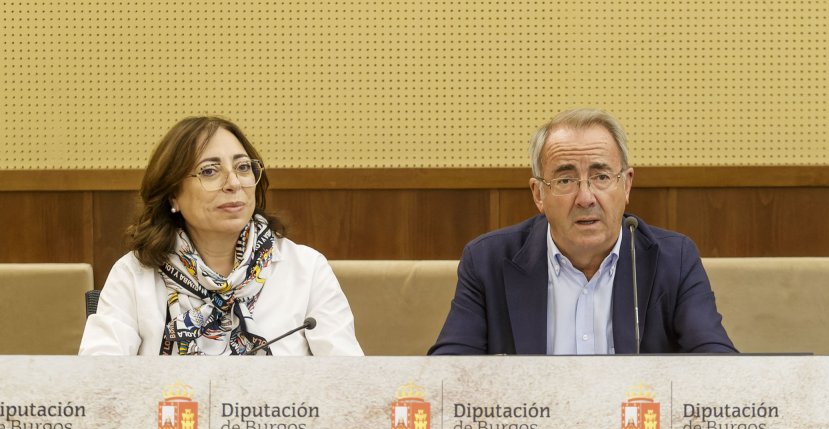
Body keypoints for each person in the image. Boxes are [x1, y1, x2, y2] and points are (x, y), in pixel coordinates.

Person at [429, 108, 735, 354]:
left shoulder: (674, 259)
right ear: (538, 194)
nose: (586, 198)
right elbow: (447, 375)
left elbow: (719, 367)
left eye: (601, 177)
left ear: (626, 185)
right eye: (565, 181)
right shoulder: (488, 262)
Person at [80, 116, 362, 356]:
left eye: (243, 167)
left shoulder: (306, 269)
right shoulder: (133, 274)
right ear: (172, 195)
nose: (234, 183)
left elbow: (347, 381)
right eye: (210, 171)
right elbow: (98, 381)